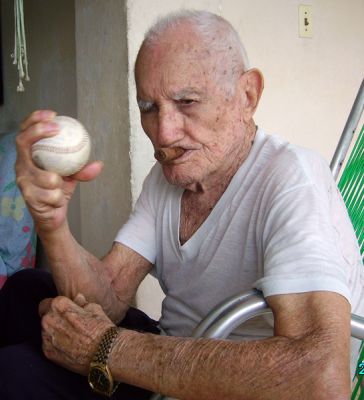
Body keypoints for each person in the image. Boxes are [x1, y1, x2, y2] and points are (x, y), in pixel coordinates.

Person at [0, 9, 363, 400]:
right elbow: (108, 298)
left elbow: (319, 380)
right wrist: (52, 224)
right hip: (177, 354)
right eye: (148, 107)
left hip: (237, 387)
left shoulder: (290, 178)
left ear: (247, 95)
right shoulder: (170, 178)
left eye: (187, 101)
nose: (164, 134)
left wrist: (105, 348)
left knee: (13, 374)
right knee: (26, 289)